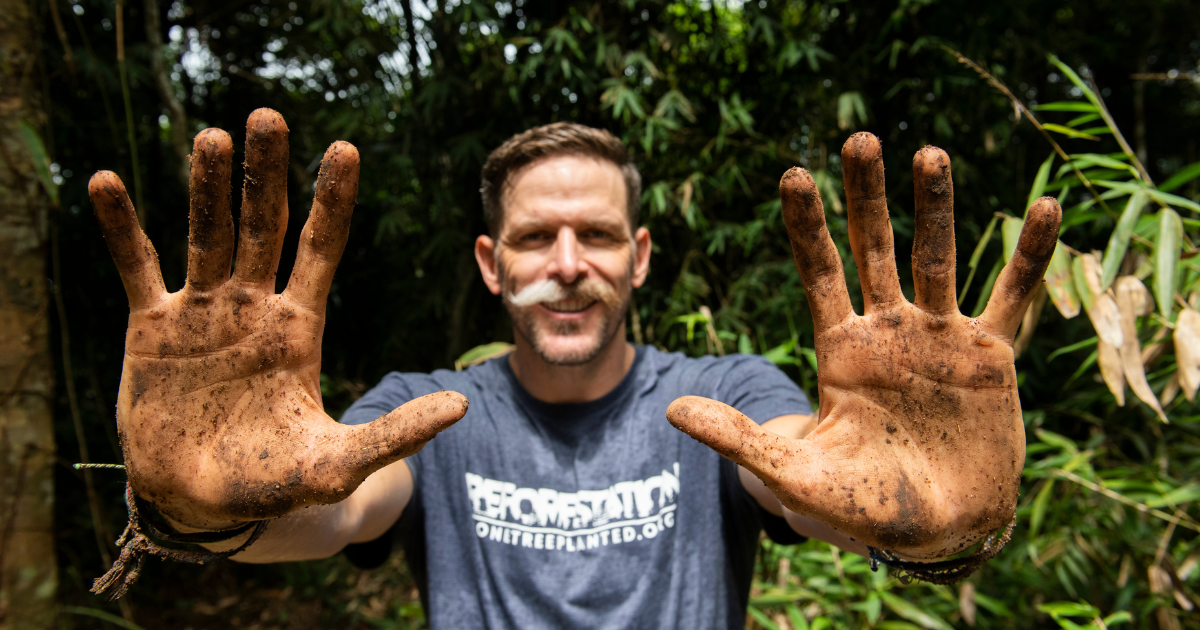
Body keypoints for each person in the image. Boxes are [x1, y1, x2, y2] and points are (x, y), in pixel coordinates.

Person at [86, 109, 1059, 628]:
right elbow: (334, 510)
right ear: (490, 263)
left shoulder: (726, 397)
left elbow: (808, 480)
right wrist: (197, 505)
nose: (565, 264)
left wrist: (925, 521)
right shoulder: (429, 412)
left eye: (595, 236)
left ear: (637, 258)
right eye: (534, 237)